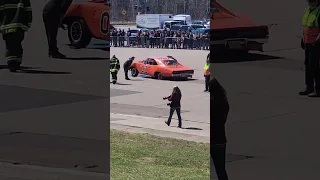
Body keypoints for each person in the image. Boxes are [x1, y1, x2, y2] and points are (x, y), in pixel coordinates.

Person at [0, 0, 33, 72]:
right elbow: (28, 10)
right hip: (19, 26)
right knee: (18, 44)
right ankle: (17, 62)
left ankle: (11, 64)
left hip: (6, 26)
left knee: (9, 46)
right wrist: (28, 23)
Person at [300, 0, 320, 97]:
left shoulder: (319, 12)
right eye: (309, 1)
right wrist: (302, 39)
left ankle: (318, 90)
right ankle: (309, 87)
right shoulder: (307, 10)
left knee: (315, 66)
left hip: (316, 44)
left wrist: (317, 41)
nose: (310, 2)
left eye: (313, 1)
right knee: (308, 65)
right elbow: (305, 26)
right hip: (307, 42)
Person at [210, 78, 229, 180]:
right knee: (221, 169)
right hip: (220, 138)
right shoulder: (224, 103)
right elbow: (223, 120)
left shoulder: (211, 105)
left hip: (212, 138)